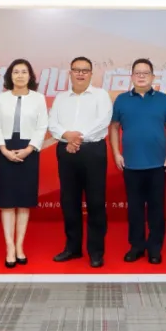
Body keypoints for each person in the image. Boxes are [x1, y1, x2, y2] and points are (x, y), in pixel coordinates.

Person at [48, 56, 113, 268]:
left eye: (85, 70)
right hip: (66, 151)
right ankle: (72, 248)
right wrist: (67, 136)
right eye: (76, 70)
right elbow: (52, 123)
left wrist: (76, 139)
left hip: (93, 151)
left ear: (91, 74)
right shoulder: (61, 98)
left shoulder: (101, 95)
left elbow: (102, 122)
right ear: (70, 73)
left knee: (96, 202)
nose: (80, 74)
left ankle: (96, 251)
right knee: (69, 201)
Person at [110, 58, 166, 265]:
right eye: (137, 73)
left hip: (158, 163)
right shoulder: (121, 100)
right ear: (131, 76)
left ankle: (155, 248)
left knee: (156, 208)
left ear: (153, 77)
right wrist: (116, 153)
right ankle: (136, 246)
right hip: (131, 164)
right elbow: (114, 127)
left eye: (145, 73)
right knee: (135, 208)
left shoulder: (164, 100)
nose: (141, 76)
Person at [0, 58, 48, 267]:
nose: (20, 75)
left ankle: (19, 246)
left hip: (29, 150)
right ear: (10, 76)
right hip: (5, 149)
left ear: (30, 76)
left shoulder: (38, 98)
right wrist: (3, 149)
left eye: (24, 72)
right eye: (16, 72)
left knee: (24, 202)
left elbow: (42, 126)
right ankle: (9, 247)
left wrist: (29, 149)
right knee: (7, 202)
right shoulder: (1, 99)